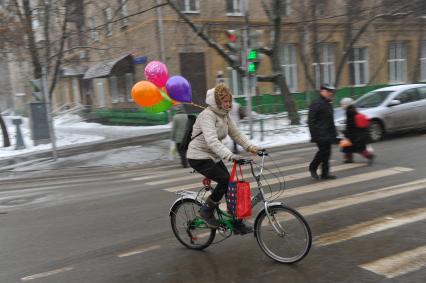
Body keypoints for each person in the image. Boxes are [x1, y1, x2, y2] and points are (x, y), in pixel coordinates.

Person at [187, 83, 261, 235]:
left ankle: (236, 222)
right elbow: (212, 141)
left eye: (229, 101)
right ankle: (206, 211)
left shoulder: (224, 115)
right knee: (225, 180)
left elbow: (236, 134)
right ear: (217, 101)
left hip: (211, 155)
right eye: (225, 101)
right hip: (198, 155)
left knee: (230, 184)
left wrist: (251, 147)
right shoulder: (207, 115)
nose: (228, 104)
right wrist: (230, 156)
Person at [308, 84, 339, 180]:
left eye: (331, 92)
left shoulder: (328, 104)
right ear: (322, 91)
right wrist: (314, 135)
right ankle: (313, 167)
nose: (330, 93)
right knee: (323, 152)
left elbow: (330, 121)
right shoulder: (316, 103)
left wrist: (334, 135)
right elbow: (311, 120)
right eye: (328, 91)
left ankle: (325, 174)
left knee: (327, 153)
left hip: (328, 134)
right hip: (319, 134)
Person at [340, 98, 375, 164]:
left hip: (354, 134)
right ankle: (349, 159)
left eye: (343, 104)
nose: (341, 106)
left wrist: (346, 133)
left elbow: (350, 125)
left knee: (355, 148)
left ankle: (369, 156)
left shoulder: (349, 112)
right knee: (348, 147)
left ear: (347, 104)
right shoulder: (353, 110)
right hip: (358, 133)